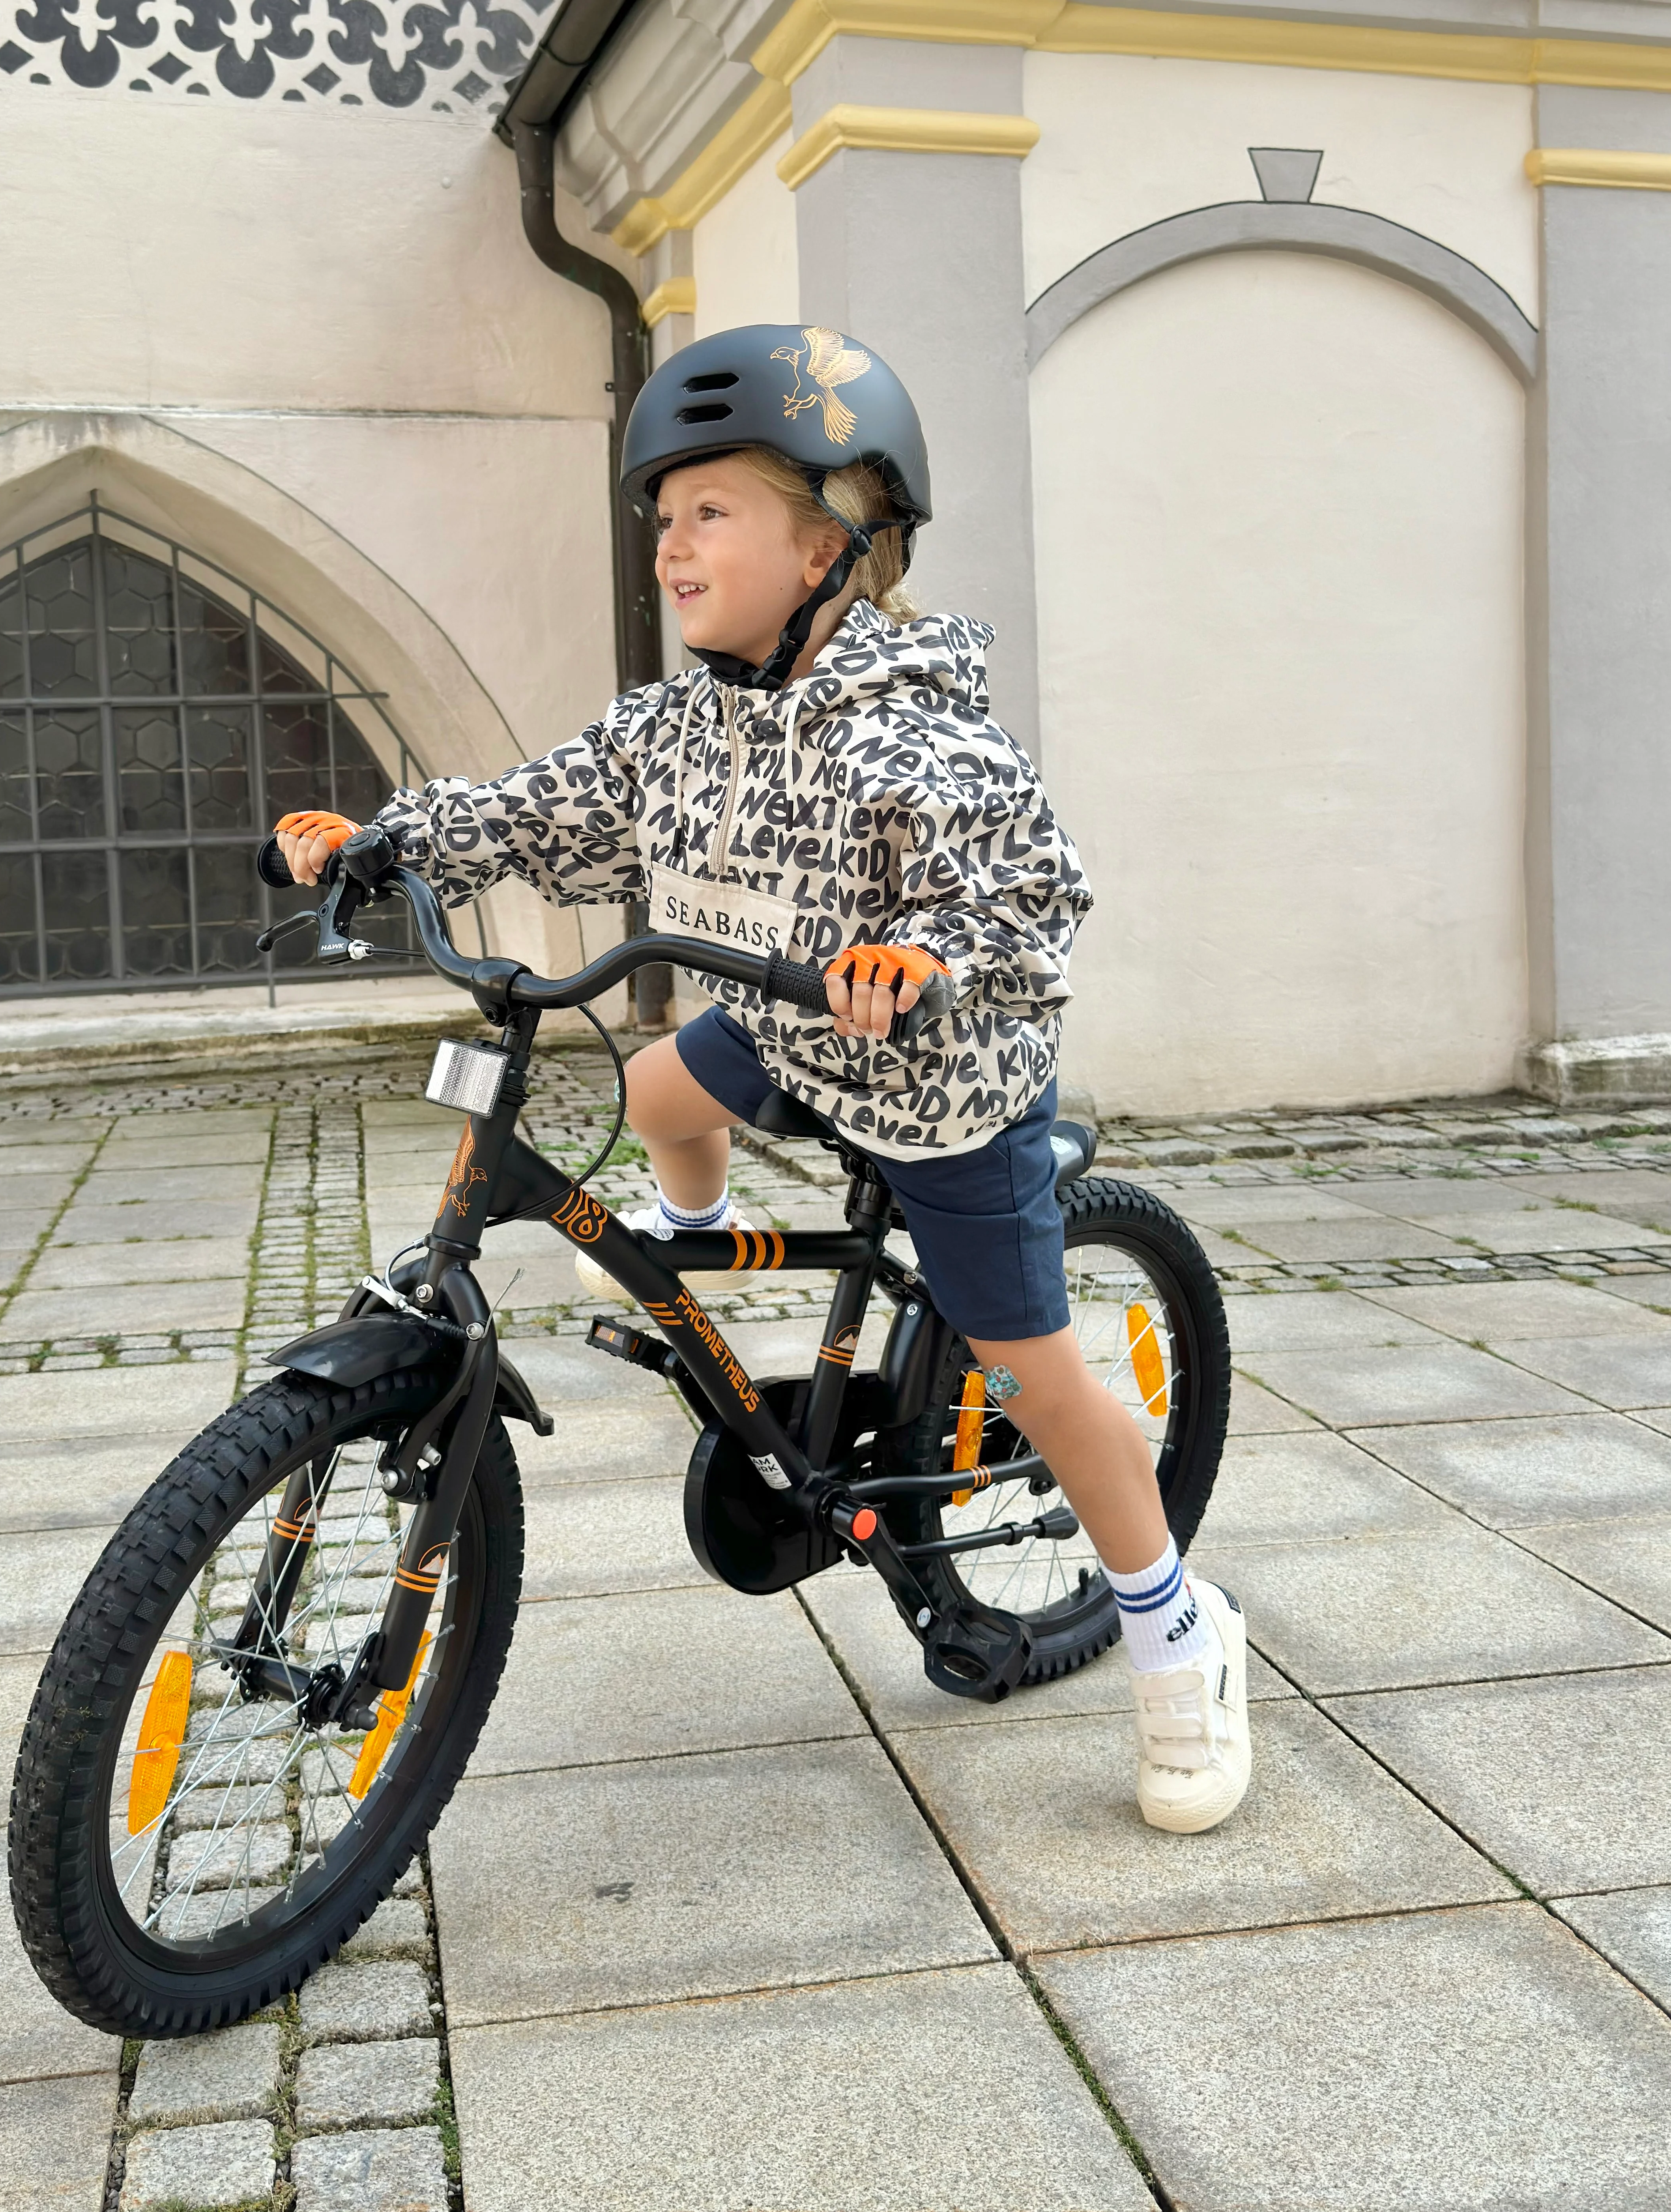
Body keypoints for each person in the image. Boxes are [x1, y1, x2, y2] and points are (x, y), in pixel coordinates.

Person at [275, 322, 1251, 1834]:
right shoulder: (676, 725)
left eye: (710, 512)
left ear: (831, 544)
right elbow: (540, 811)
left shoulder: (911, 726)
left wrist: (922, 953)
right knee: (663, 1090)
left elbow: (1033, 892)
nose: (671, 546)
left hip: (937, 1079)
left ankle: (1177, 1631)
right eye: (661, 518)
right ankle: (700, 1278)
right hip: (785, 1028)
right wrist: (396, 838)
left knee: (1036, 1363)